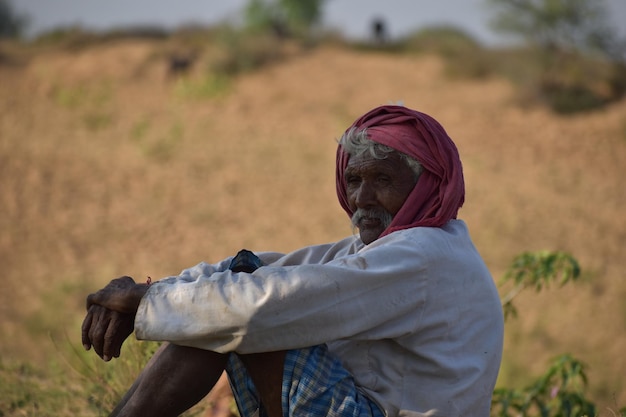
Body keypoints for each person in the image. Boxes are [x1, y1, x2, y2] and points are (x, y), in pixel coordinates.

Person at [82, 104, 504, 417]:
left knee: (241, 315)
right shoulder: (383, 251)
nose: (362, 198)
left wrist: (144, 300)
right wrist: (142, 294)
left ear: (424, 185)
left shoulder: (424, 254)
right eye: (354, 180)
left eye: (383, 180)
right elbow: (263, 270)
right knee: (230, 296)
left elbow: (264, 304)